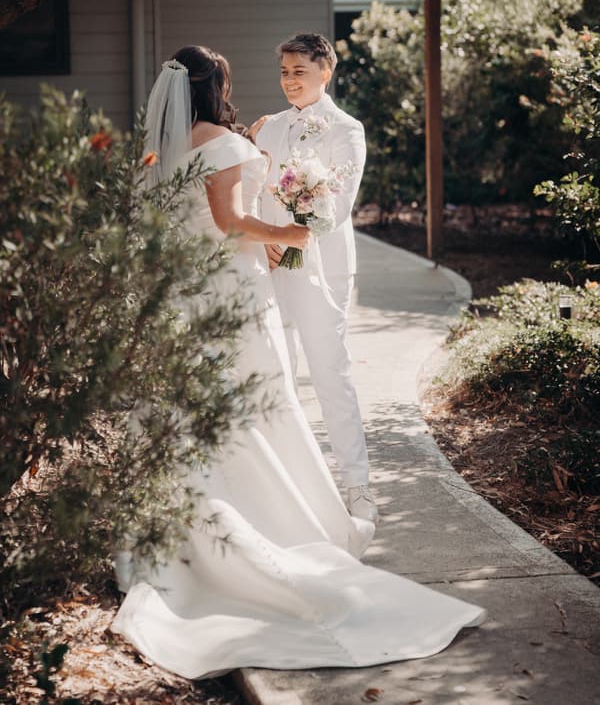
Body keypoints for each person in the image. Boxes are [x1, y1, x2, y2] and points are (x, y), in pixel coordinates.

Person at [111, 46, 485, 680]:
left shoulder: (172, 149)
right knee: (257, 401)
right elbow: (230, 222)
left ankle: (188, 531)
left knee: (212, 408)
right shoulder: (226, 146)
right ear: (214, 86)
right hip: (232, 289)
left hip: (190, 293)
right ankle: (268, 525)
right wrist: (286, 235)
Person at [254, 33, 376, 522]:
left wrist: (289, 235)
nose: (289, 81)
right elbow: (253, 191)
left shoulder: (347, 130)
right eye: (284, 72)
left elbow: (338, 205)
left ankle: (358, 484)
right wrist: (264, 238)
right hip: (268, 265)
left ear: (326, 72)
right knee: (275, 370)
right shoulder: (267, 129)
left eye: (298, 71)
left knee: (330, 373)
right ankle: (289, 485)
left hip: (322, 267)